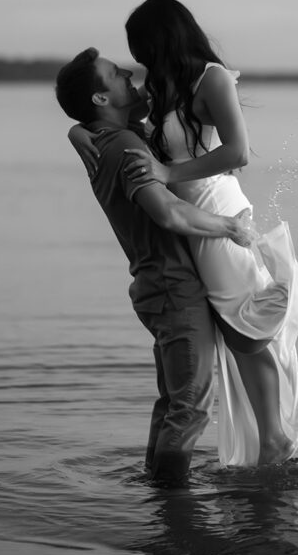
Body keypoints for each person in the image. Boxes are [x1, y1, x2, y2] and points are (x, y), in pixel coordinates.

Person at [69, 0, 298, 467]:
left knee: (243, 321)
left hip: (214, 206)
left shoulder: (212, 77)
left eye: (141, 50)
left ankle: (271, 434)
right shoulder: (163, 86)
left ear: (161, 38)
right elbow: (110, 117)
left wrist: (169, 177)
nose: (137, 65)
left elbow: (239, 152)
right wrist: (77, 132)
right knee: (237, 313)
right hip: (195, 222)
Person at [55, 47, 253, 487]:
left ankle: (155, 488)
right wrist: (229, 228)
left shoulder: (110, 138)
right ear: (100, 100)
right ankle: (171, 502)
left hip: (156, 285)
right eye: (113, 73)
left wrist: (75, 129)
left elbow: (146, 107)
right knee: (192, 403)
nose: (127, 72)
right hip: (171, 286)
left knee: (174, 400)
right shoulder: (125, 145)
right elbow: (167, 213)